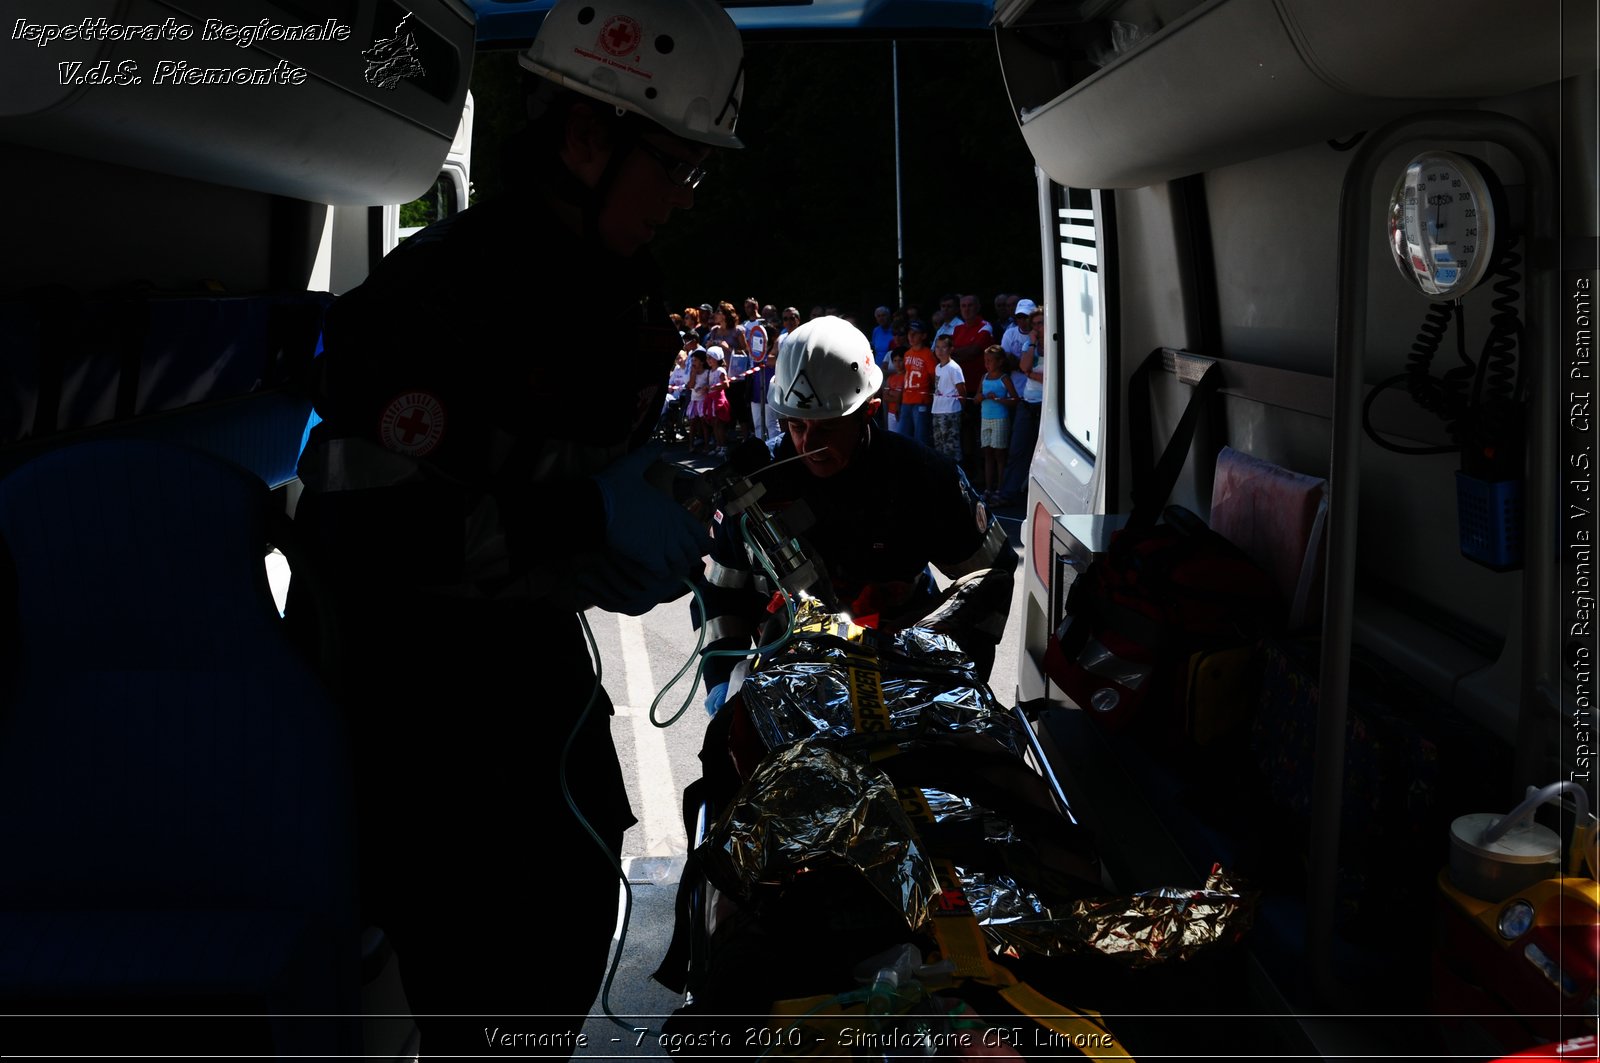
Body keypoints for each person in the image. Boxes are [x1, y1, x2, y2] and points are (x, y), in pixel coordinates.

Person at [285, 0, 744, 1053]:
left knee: (563, 943)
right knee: (491, 997)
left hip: (536, 710)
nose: (682, 201)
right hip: (434, 743)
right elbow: (366, 536)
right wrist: (588, 513)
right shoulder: (424, 308)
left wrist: (628, 520)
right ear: (587, 140)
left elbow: (537, 475)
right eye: (676, 167)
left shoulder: (607, 298)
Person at [691, 316, 1017, 715]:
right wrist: (722, 684)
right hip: (787, 683)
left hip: (904, 681)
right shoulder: (754, 488)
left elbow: (991, 577)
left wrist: (962, 673)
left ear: (869, 412)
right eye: (796, 425)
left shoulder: (924, 478)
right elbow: (721, 594)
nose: (808, 444)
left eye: (827, 427)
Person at [997, 304, 1044, 505]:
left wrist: (1030, 374)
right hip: (1028, 401)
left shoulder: (1056, 343)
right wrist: (1032, 344)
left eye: (1040, 323)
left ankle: (1039, 498)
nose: (1037, 328)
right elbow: (1023, 366)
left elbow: (1048, 376)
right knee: (1017, 449)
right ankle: (1008, 493)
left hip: (1046, 404)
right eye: (1034, 324)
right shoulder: (1030, 345)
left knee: (1043, 455)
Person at [976, 344, 1019, 502]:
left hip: (1000, 419)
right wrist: (979, 397)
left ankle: (1000, 488)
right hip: (985, 419)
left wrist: (999, 400)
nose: (987, 363)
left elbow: (1015, 399)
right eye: (985, 360)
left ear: (1000, 362)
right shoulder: (984, 377)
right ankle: (988, 488)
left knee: (999, 454)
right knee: (987, 453)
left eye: (990, 360)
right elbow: (976, 398)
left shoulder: (1004, 378)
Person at [895, 320, 935, 447]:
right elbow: (906, 377)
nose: (911, 336)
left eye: (915, 333)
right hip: (906, 400)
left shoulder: (928, 354)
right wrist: (899, 400)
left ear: (923, 336)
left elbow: (934, 377)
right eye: (909, 333)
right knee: (902, 435)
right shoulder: (907, 354)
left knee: (921, 436)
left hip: (921, 401)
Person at [930, 333, 966, 462]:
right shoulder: (937, 367)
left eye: (943, 347)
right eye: (937, 347)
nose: (939, 350)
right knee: (939, 446)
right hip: (937, 410)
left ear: (951, 349)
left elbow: (961, 389)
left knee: (951, 446)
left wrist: (962, 408)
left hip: (950, 411)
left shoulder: (954, 368)